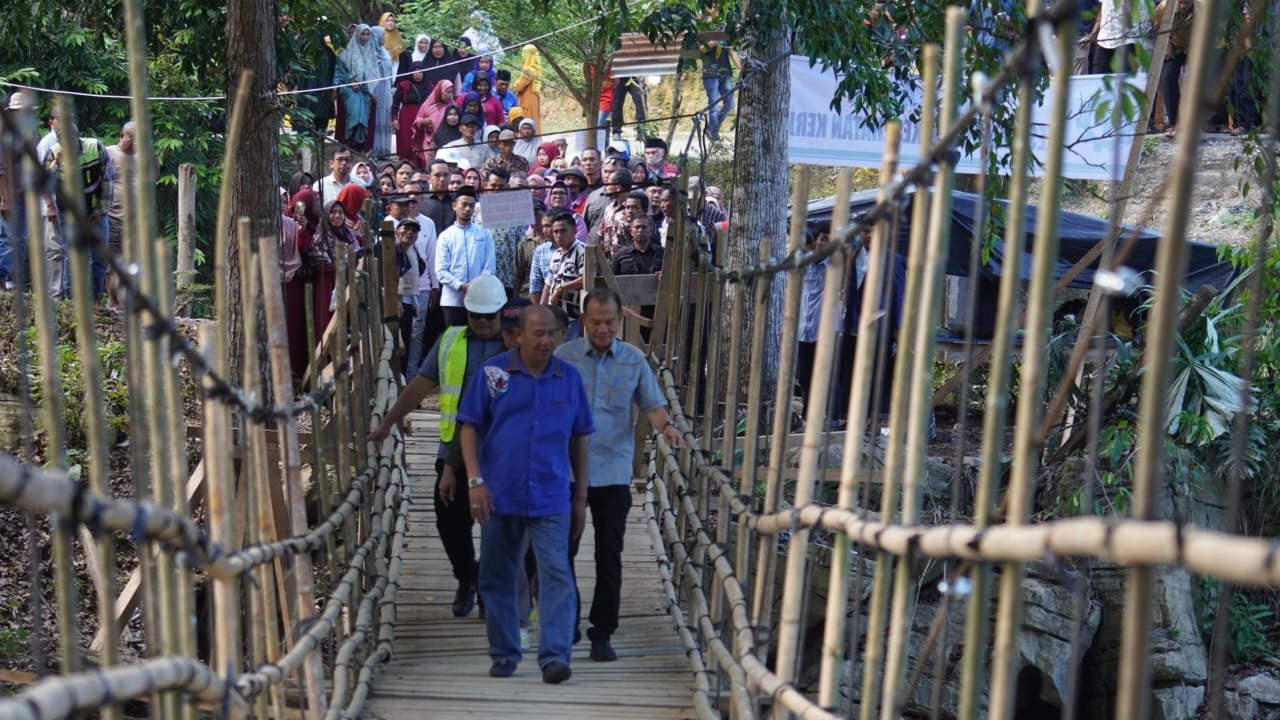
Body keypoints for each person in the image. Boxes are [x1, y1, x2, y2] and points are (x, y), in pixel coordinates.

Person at [457, 303, 594, 683]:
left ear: (561, 335)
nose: (546, 340)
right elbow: (468, 426)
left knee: (556, 574)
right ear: (519, 335)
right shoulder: (493, 374)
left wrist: (580, 496)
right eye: (538, 333)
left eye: (553, 333)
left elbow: (580, 438)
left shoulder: (569, 379)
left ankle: (554, 656)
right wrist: (474, 481)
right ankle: (504, 652)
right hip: (500, 492)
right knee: (497, 573)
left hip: (552, 495)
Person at [369, 275, 510, 618]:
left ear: (502, 313)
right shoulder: (450, 340)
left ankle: (494, 591)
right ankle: (467, 577)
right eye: (476, 315)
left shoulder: (516, 345)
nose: (483, 323)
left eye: (490, 317)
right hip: (454, 452)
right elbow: (421, 384)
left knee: (503, 530)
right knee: (450, 523)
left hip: (505, 455)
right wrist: (389, 421)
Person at [556, 288, 681, 661]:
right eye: (595, 322)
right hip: (565, 473)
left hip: (612, 472)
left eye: (609, 321)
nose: (603, 328)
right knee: (561, 552)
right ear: (584, 320)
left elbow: (653, 404)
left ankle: (602, 632)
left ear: (620, 319)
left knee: (609, 554)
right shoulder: (564, 358)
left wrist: (667, 429)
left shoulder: (633, 360)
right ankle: (566, 621)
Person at [46, 122, 113, 300]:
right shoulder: (54, 153)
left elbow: (107, 180)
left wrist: (101, 210)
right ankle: (71, 298)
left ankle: (96, 296)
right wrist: (55, 164)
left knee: (99, 255)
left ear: (77, 136)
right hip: (68, 212)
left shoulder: (96, 147)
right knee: (72, 254)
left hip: (95, 209)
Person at [436, 187, 497, 326]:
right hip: (452, 300)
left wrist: (475, 288)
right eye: (464, 204)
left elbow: (489, 266)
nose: (468, 209)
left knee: (476, 339)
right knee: (455, 341)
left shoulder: (484, 234)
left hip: (479, 298)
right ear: (454, 206)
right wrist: (461, 286)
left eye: (471, 205)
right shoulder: (446, 236)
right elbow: (441, 271)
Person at [285, 189, 321, 373]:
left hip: (310, 280)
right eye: (312, 200)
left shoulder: (315, 222)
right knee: (294, 326)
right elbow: (301, 246)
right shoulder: (288, 224)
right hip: (294, 280)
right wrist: (302, 229)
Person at [104, 121, 136, 308]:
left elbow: (154, 175)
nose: (132, 143)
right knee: (114, 263)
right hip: (114, 217)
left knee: (132, 263)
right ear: (122, 135)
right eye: (130, 138)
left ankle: (127, 301)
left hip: (136, 222)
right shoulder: (110, 153)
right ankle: (113, 300)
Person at [335, 24, 379, 151]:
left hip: (366, 92)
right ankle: (349, 145)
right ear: (357, 35)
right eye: (362, 34)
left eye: (367, 34)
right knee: (355, 115)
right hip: (351, 90)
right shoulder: (345, 53)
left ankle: (360, 147)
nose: (365, 37)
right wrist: (350, 81)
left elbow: (372, 75)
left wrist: (368, 89)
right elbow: (340, 74)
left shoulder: (371, 53)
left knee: (364, 119)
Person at [1154, 0, 1194, 136]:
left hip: (1196, 47)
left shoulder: (1203, 8)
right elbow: (1157, 28)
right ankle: (1174, 122)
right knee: (1167, 76)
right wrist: (1166, 45)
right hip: (1175, 46)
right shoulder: (1164, 7)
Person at [542, 210, 585, 337]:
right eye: (555, 232)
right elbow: (548, 283)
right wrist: (542, 308)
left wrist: (561, 288)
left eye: (563, 231)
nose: (559, 235)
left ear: (574, 231)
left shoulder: (582, 251)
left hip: (574, 316)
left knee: (569, 352)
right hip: (554, 315)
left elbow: (585, 279)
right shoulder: (556, 253)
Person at [393, 62, 433, 164]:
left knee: (422, 143)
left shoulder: (430, 86)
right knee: (407, 143)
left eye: (420, 72)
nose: (417, 74)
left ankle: (421, 167)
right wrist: (394, 118)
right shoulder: (404, 85)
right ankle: (406, 166)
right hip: (407, 119)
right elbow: (395, 103)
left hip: (424, 119)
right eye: (415, 72)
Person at [699, 38, 737, 141]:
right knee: (714, 106)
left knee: (730, 105)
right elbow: (701, 49)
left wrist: (742, 68)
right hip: (710, 74)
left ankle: (710, 129)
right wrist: (713, 42)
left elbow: (732, 52)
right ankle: (713, 135)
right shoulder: (706, 31)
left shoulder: (726, 32)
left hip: (726, 74)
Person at [367, 25, 396, 157]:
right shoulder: (368, 52)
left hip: (385, 88)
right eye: (382, 35)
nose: (384, 38)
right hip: (374, 89)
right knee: (375, 116)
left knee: (384, 116)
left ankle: (384, 149)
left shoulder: (384, 52)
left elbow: (390, 71)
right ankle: (374, 149)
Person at [513, 46, 543, 129]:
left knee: (528, 123)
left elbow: (518, 87)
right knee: (535, 121)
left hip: (527, 100)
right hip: (533, 98)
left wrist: (516, 84)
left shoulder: (528, 70)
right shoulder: (536, 69)